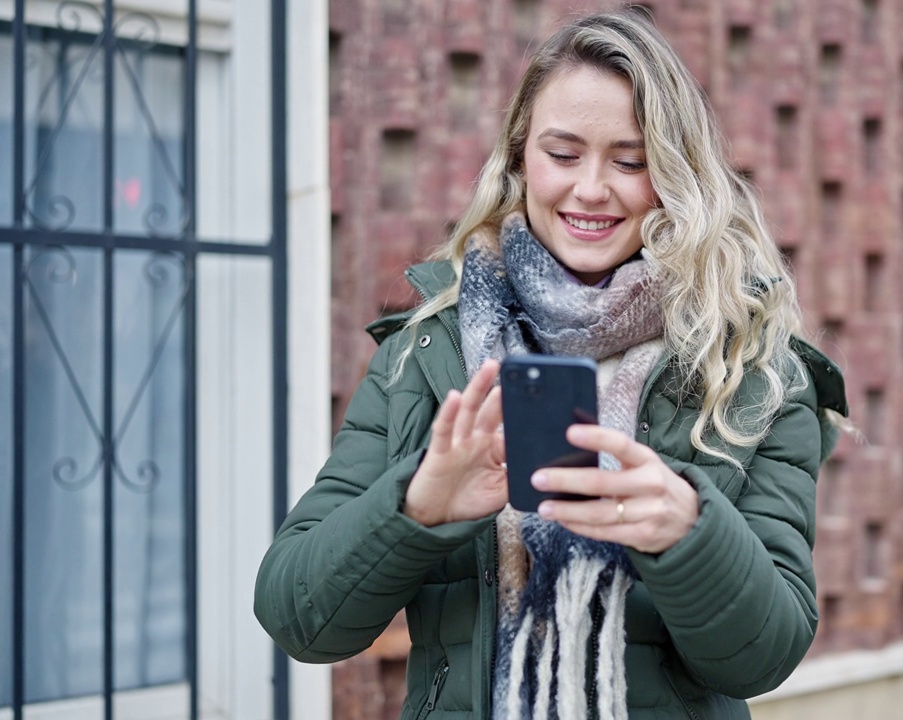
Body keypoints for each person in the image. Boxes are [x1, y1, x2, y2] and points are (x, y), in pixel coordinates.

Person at [255, 8, 847, 719]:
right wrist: (417, 508)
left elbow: (764, 656)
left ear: (674, 173)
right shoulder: (428, 349)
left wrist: (689, 531)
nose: (591, 189)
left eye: (630, 161)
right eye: (563, 154)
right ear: (519, 158)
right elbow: (297, 615)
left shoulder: (753, 368)